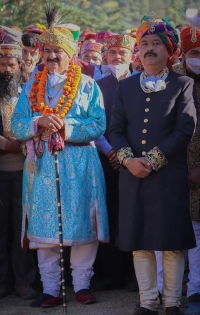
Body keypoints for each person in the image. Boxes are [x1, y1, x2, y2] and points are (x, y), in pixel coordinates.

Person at [11, 5, 109, 309]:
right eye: (48, 50)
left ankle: (81, 285)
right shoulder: (30, 87)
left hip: (80, 166)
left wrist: (66, 126)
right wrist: (37, 122)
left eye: (59, 51)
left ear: (71, 54)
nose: (52, 56)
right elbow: (16, 125)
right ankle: (51, 288)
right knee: (46, 231)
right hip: (40, 166)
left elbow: (98, 124)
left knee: (82, 227)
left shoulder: (88, 85)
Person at [109, 14, 197, 315]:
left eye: (156, 43)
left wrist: (152, 160)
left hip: (167, 175)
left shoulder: (183, 84)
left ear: (169, 50)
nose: (149, 48)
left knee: (170, 241)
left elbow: (185, 128)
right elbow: (115, 130)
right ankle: (148, 301)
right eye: (144, 43)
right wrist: (128, 160)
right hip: (133, 176)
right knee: (140, 242)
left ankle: (172, 301)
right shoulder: (126, 87)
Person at [95, 34, 137, 291]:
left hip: (136, 162)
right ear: (106, 57)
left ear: (132, 56)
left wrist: (126, 157)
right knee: (109, 214)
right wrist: (113, 153)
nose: (117, 57)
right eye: (113, 53)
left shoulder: (142, 83)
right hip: (106, 161)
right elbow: (97, 126)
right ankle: (112, 274)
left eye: (123, 52)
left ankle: (135, 274)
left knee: (133, 215)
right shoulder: (96, 86)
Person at [0, 25, 37, 300]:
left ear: (19, 65)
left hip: (27, 172)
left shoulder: (31, 93)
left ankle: (24, 281)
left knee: (23, 229)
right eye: (1, 64)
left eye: (11, 63)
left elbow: (39, 125)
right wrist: (5, 144)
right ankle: (2, 282)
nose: (6, 69)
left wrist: (23, 142)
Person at [173, 24, 200, 315]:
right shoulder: (172, 79)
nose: (198, 58)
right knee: (180, 232)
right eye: (194, 53)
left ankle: (196, 290)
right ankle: (183, 291)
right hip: (175, 168)